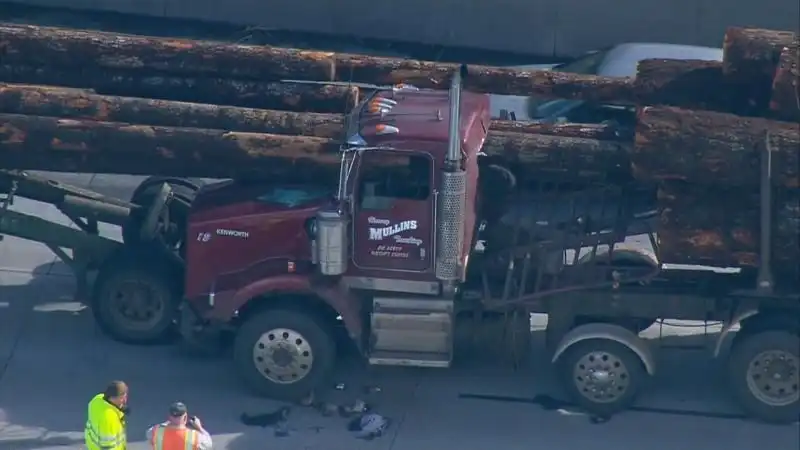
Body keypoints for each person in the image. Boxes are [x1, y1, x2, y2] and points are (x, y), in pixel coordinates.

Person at [146, 402, 213, 450]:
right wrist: (199, 428)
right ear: (185, 417)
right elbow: (209, 444)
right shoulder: (195, 437)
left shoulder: (155, 431)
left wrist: (167, 423)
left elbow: (149, 434)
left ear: (169, 416)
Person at [85, 380, 128, 450]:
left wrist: (120, 409)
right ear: (114, 397)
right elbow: (108, 447)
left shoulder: (97, 399)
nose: (125, 400)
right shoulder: (109, 419)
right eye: (122, 397)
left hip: (92, 445)